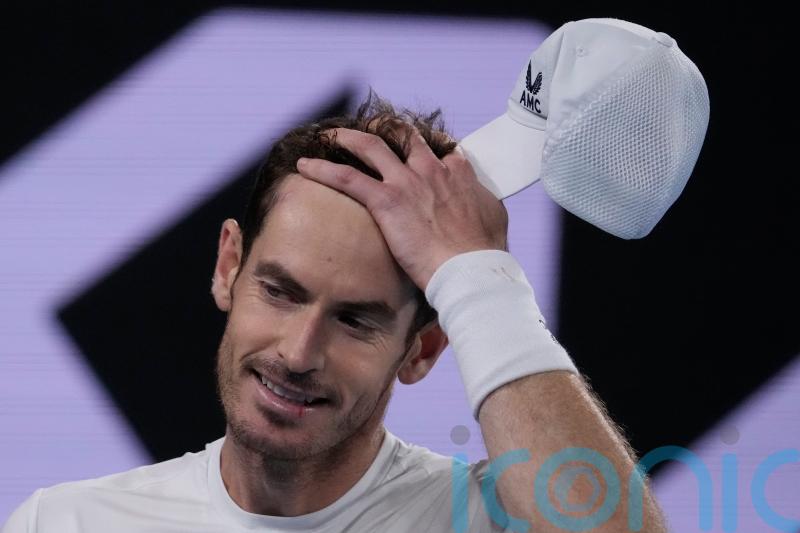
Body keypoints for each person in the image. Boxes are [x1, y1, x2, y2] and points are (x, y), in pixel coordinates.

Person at [2, 93, 668, 532]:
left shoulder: (483, 518)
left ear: (423, 349)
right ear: (228, 265)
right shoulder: (68, 523)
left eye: (356, 318)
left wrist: (477, 275)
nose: (298, 352)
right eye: (281, 291)